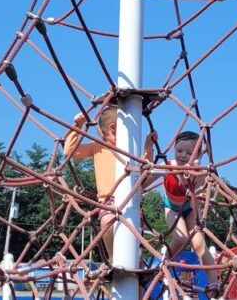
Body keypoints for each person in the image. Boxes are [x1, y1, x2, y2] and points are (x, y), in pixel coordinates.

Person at [63, 106, 157, 261]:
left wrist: (148, 146)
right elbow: (70, 151)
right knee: (106, 222)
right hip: (108, 201)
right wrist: (76, 127)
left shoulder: (129, 148)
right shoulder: (97, 147)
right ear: (113, 128)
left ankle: (136, 259)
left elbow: (145, 167)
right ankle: (113, 258)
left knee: (132, 246)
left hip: (131, 201)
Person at [162, 131, 220, 297]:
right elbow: (144, 181)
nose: (183, 155)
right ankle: (163, 265)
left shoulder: (200, 173)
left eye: (189, 153)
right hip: (172, 208)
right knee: (180, 239)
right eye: (179, 150)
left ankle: (214, 283)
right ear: (174, 148)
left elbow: (208, 192)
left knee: (199, 243)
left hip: (190, 208)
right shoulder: (168, 166)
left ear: (197, 155)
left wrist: (205, 194)